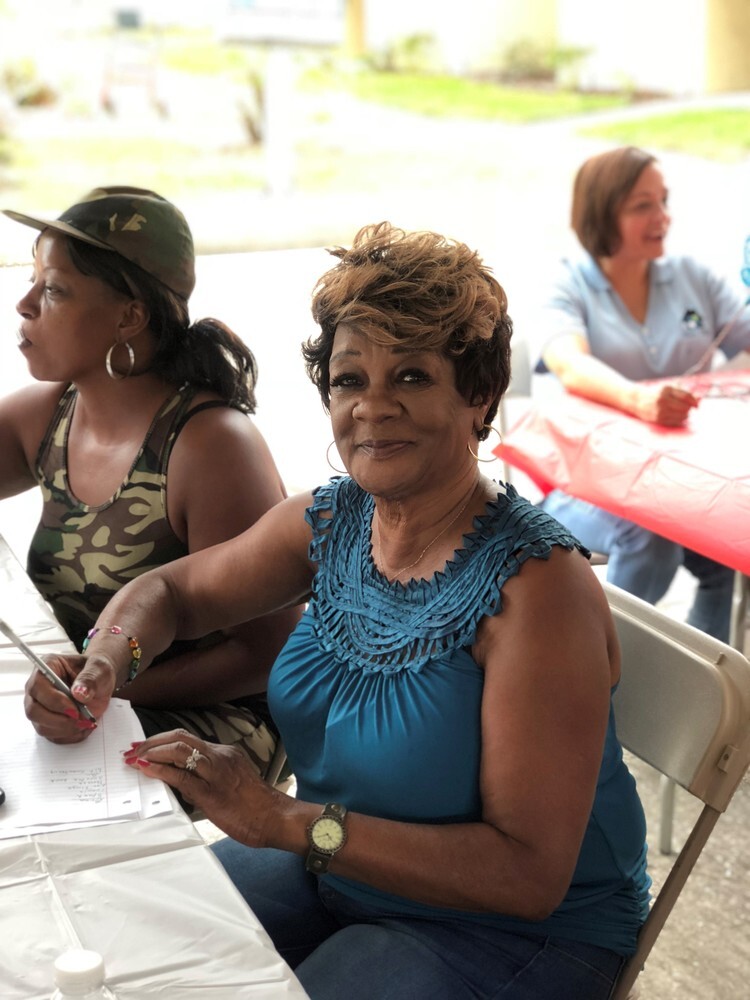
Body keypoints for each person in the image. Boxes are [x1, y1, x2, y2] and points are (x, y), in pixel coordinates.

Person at [34, 222, 650, 1000]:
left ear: (480, 395)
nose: (373, 408)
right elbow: (172, 593)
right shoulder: (333, 522)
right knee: (119, 941)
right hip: (339, 866)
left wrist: (283, 821)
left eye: (413, 376)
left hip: (516, 931)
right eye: (350, 379)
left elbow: (526, 875)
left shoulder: (537, 591)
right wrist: (107, 661)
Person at [3, 186, 300, 777]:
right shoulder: (51, 414)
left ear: (130, 316)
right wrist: (85, 692)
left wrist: (102, 693)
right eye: (33, 281)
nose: (24, 303)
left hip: (213, 719)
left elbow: (265, 655)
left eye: (54, 289)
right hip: (82, 696)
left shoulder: (210, 446)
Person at [537, 146, 750, 643]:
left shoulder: (693, 277)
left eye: (664, 201)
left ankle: (710, 679)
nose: (662, 217)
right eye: (642, 206)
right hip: (586, 485)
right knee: (649, 536)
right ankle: (603, 663)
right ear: (601, 214)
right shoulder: (569, 284)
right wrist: (639, 401)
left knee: (734, 541)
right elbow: (568, 362)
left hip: (685, 485)